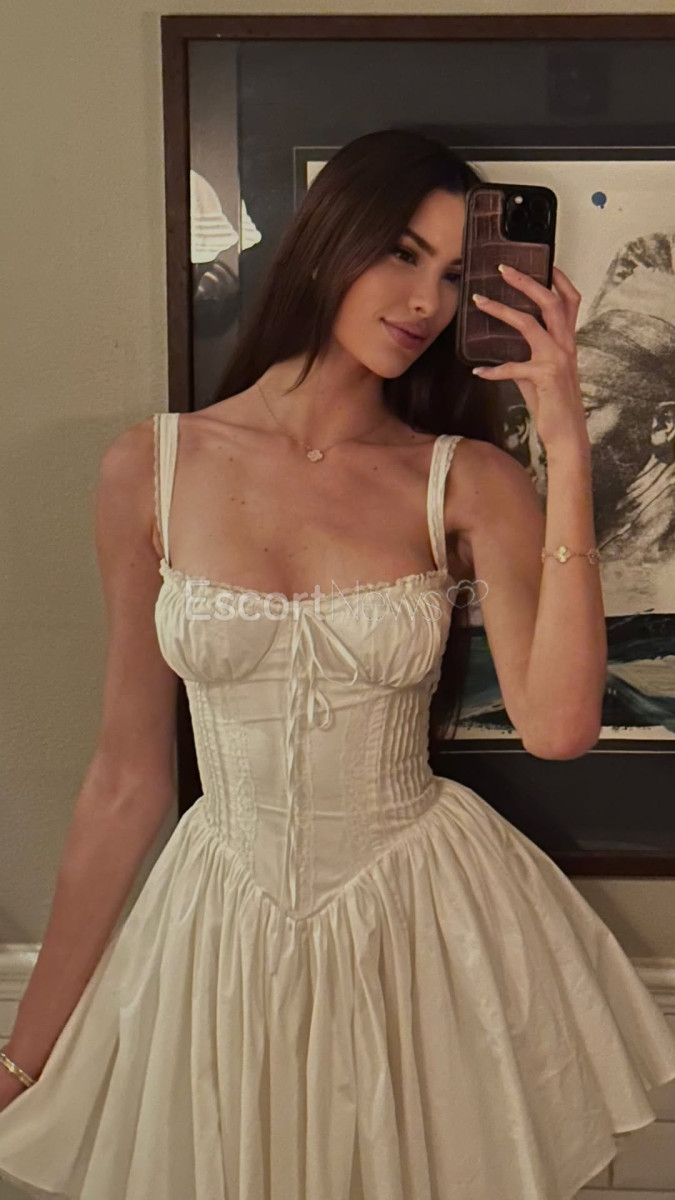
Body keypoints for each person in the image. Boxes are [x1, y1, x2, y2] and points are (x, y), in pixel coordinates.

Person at [0, 128, 674, 1200]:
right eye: (402, 253)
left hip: (419, 927)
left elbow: (557, 727)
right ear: (326, 242)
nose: (426, 301)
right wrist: (20, 1061)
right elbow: (127, 779)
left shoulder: (468, 480)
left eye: (454, 274)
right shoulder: (152, 467)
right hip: (218, 927)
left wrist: (565, 441)